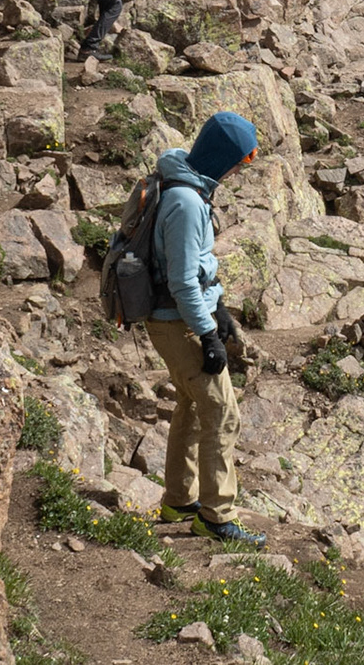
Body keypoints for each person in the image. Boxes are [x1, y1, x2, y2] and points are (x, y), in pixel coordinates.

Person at [148, 110, 264, 546]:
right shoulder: (187, 203)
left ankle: (180, 500)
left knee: (194, 406)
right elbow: (181, 280)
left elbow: (195, 268)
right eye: (240, 161)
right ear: (223, 158)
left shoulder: (186, 183)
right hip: (177, 322)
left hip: (179, 318)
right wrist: (208, 335)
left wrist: (220, 310)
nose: (239, 171)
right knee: (222, 412)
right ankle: (217, 517)